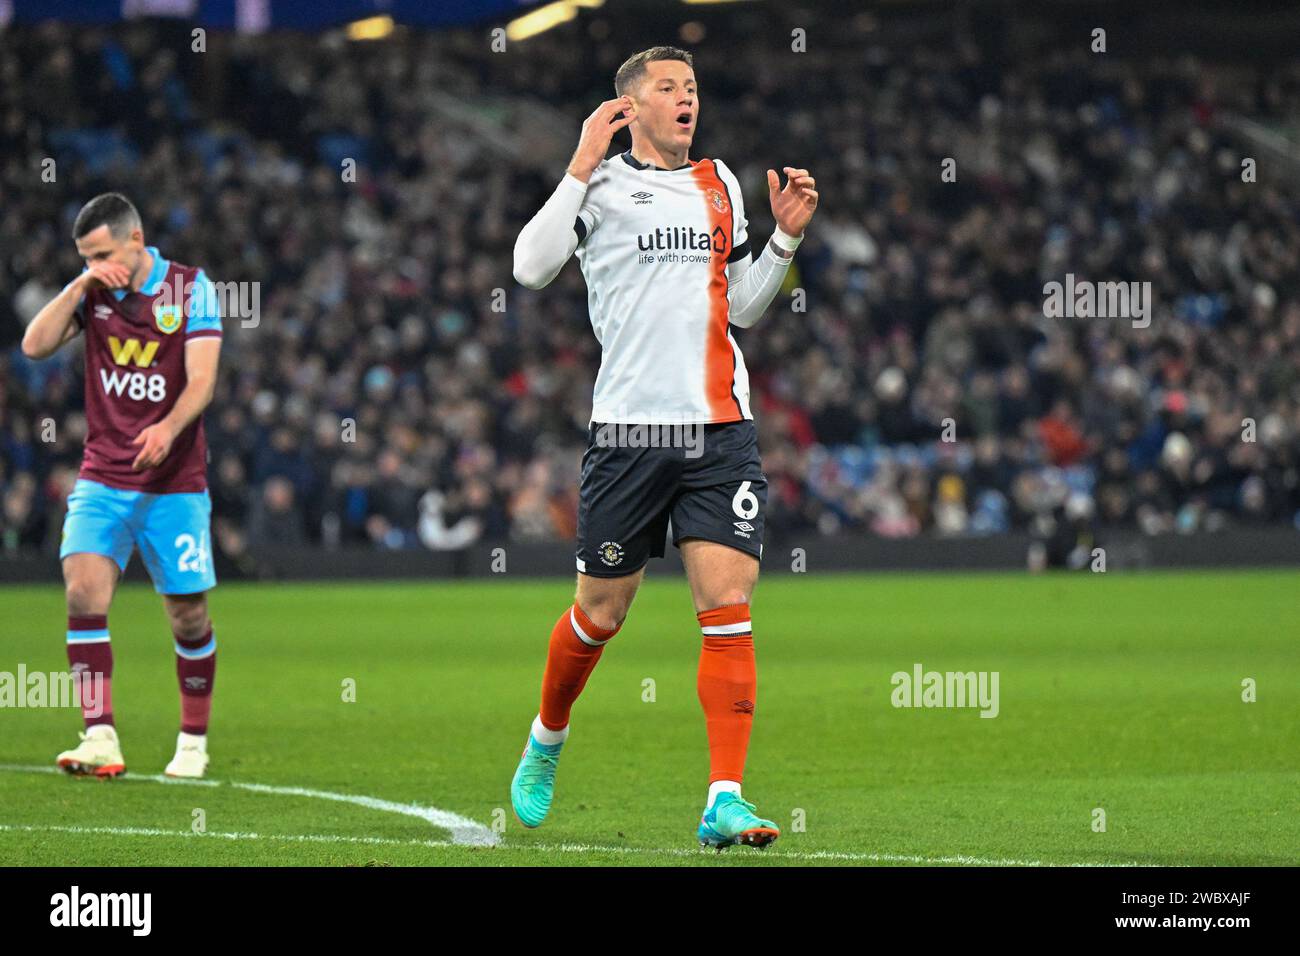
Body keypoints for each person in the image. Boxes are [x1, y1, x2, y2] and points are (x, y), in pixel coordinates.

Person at [510, 47, 818, 849]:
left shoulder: (722, 184)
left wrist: (782, 245)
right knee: (599, 612)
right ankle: (547, 737)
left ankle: (724, 797)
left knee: (728, 606)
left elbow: (741, 310)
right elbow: (529, 265)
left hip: (720, 428)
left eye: (692, 88)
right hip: (632, 432)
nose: (686, 99)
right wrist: (579, 161)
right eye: (668, 88)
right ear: (631, 107)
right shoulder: (601, 186)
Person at [21, 193, 223, 779]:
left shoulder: (190, 288)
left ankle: (192, 741)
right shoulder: (95, 290)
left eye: (102, 254)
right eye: (84, 257)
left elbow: (203, 379)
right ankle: (99, 735)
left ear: (136, 241)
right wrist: (81, 286)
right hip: (103, 475)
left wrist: (169, 425)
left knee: (187, 615)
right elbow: (34, 346)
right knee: (83, 592)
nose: (95, 264)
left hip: (174, 483)